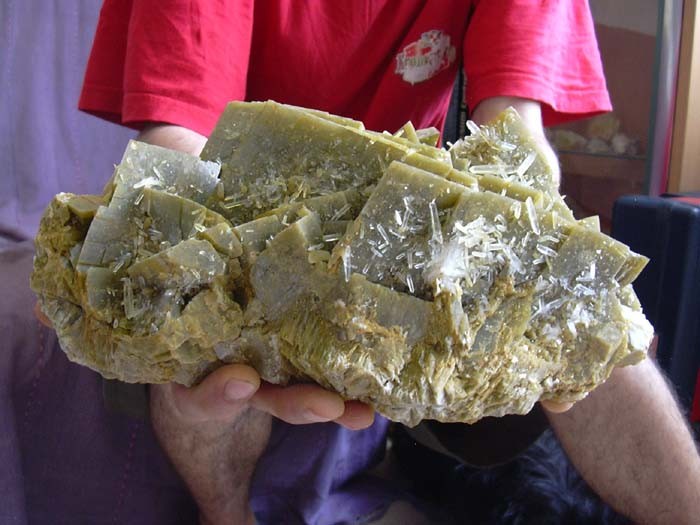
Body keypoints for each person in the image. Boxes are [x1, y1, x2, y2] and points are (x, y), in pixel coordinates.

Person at [4, 1, 699, 524]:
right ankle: (228, 516)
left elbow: (516, 135)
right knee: (208, 365)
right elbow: (181, 142)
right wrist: (224, 283)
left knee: (597, 316)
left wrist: (534, 260)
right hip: (245, 214)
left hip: (414, 238)